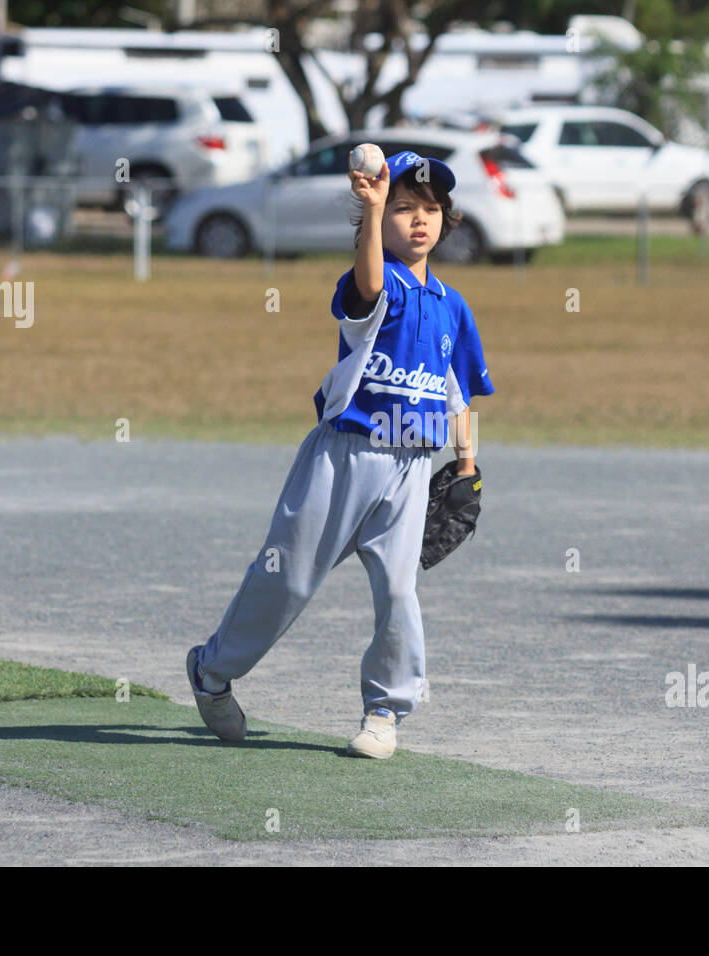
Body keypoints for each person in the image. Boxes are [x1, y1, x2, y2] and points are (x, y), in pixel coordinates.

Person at [186, 149, 494, 759]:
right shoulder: (378, 285)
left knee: (399, 592)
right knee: (288, 581)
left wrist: (465, 465)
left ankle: (384, 710)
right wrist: (374, 206)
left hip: (409, 469)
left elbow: (459, 392)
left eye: (430, 208)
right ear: (375, 223)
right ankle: (213, 672)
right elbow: (369, 286)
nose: (419, 219)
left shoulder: (453, 307)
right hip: (343, 459)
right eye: (404, 208)